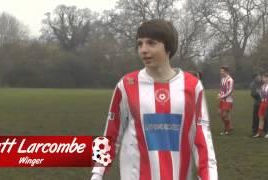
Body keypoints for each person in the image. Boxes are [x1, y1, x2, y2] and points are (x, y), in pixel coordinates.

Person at [91, 19, 217, 180]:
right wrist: (97, 173)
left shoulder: (193, 86)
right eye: (140, 44)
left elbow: (202, 141)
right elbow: (110, 134)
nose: (143, 50)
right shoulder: (127, 84)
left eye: (151, 43)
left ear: (168, 47)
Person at [217, 66, 234, 135]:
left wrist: (222, 96)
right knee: (220, 114)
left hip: (228, 100)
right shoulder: (222, 79)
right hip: (222, 99)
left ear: (226, 71)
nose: (220, 72)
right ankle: (229, 126)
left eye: (222, 71)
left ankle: (226, 130)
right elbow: (221, 88)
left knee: (224, 115)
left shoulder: (230, 80)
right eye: (220, 71)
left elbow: (230, 91)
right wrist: (219, 94)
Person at [253, 73, 268, 138]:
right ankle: (259, 133)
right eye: (263, 78)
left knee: (266, 118)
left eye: (265, 78)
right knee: (261, 117)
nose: (263, 79)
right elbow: (262, 96)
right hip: (262, 103)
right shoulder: (262, 86)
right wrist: (259, 92)